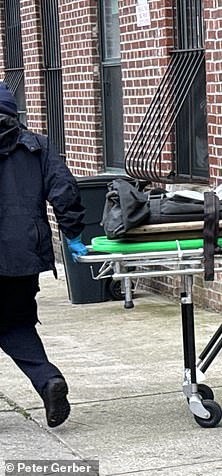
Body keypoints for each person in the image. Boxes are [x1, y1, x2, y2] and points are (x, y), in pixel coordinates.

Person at [0, 82, 88, 426]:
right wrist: (73, 233)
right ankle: (47, 379)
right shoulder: (37, 146)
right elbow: (65, 190)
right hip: (24, 257)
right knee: (14, 322)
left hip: (21, 254)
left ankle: (48, 380)